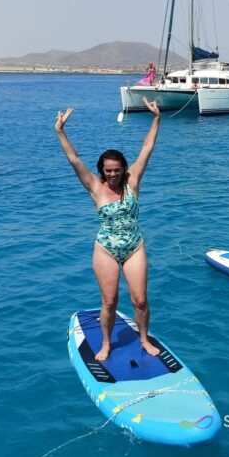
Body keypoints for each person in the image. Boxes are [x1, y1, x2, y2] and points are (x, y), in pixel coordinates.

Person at [54, 98, 163, 361]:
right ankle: (105, 343)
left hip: (134, 246)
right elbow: (74, 159)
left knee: (139, 300)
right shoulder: (95, 187)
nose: (113, 174)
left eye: (117, 170)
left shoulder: (132, 180)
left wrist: (156, 118)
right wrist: (60, 131)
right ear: (102, 171)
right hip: (106, 249)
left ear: (124, 168)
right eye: (108, 171)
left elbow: (147, 148)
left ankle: (144, 339)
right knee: (109, 302)